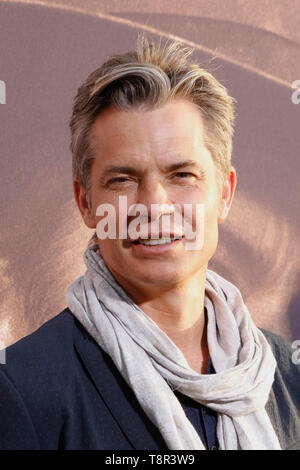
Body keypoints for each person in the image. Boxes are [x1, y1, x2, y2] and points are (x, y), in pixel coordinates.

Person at [0, 34, 299, 451]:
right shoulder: (23, 391)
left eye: (182, 175)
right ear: (86, 202)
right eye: (123, 179)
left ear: (224, 193)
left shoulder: (286, 376)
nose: (154, 206)